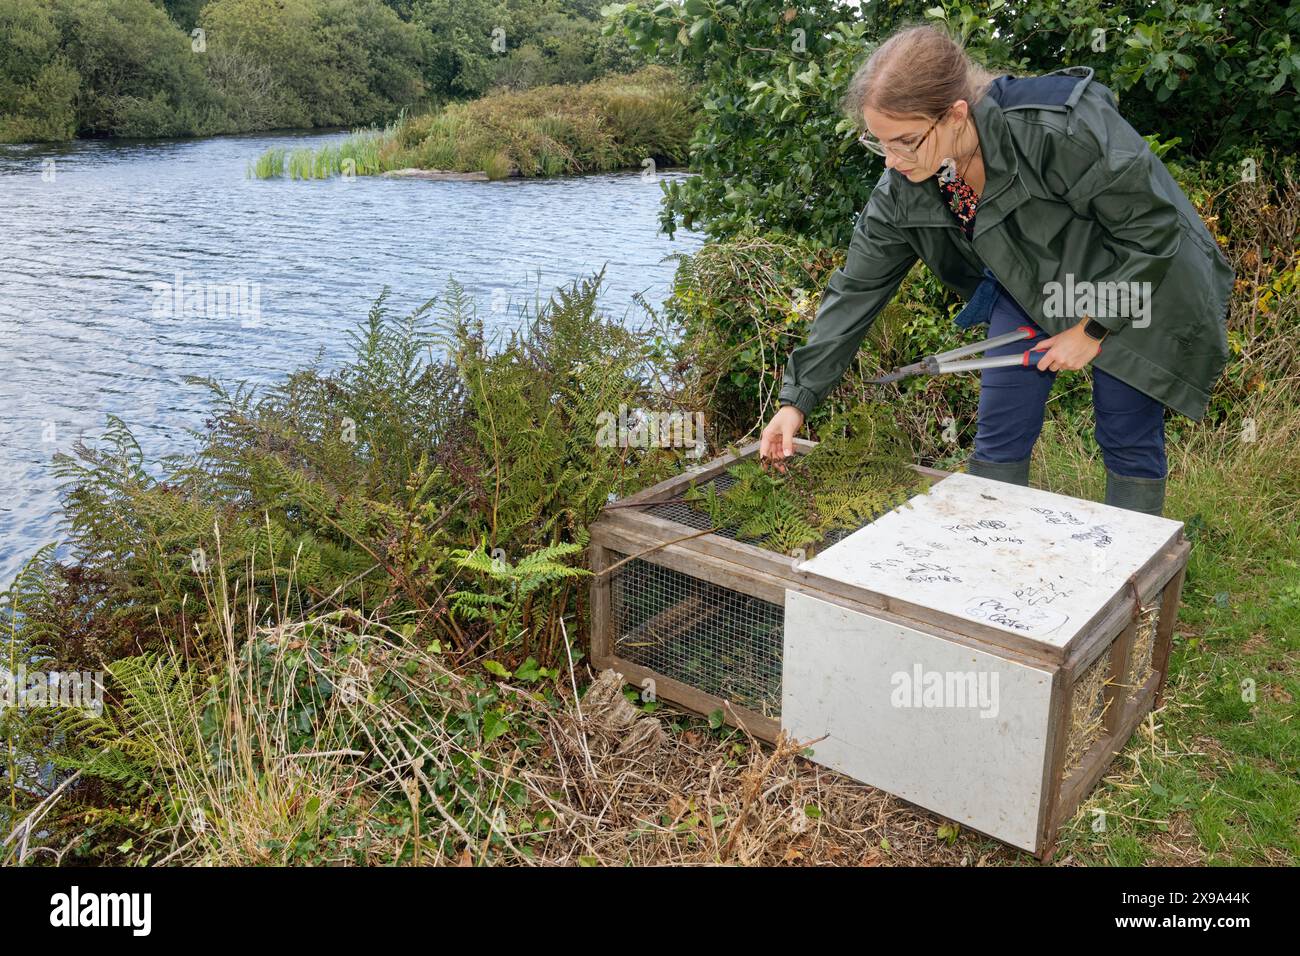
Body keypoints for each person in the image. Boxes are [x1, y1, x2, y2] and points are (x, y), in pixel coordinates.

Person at [759, 25, 1234, 516]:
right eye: (879, 143)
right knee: (1000, 434)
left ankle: (1137, 583)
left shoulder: (1059, 126)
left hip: (1135, 275)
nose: (894, 161)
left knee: (1125, 430)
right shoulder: (904, 186)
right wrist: (797, 401)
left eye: (905, 141)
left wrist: (1092, 328)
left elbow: (1153, 229)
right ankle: (996, 568)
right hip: (1030, 287)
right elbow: (854, 291)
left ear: (957, 115)